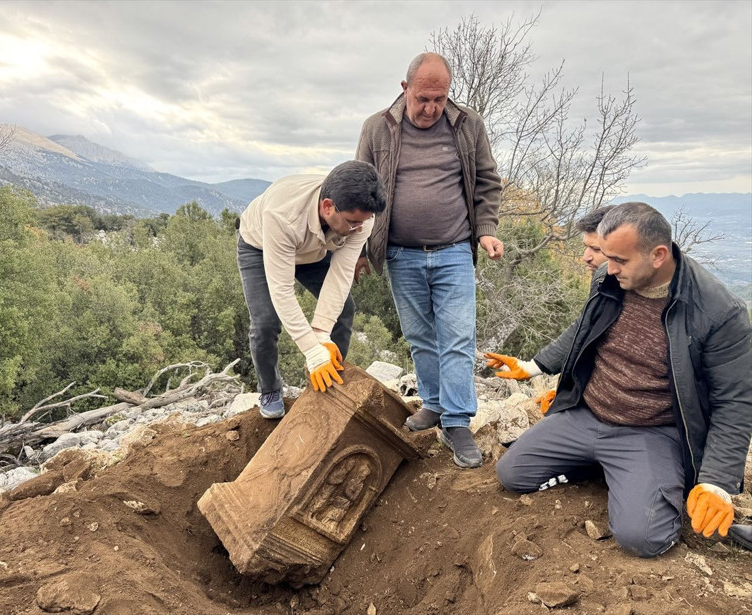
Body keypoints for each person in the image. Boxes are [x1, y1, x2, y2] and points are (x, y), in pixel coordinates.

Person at [488, 202, 752, 557]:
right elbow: (582, 331)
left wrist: (716, 483)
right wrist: (534, 366)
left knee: (643, 539)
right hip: (588, 413)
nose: (607, 268)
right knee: (512, 474)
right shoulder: (609, 278)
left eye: (620, 260)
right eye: (605, 256)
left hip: (651, 431)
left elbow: (734, 403)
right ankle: (602, 467)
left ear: (658, 254)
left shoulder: (718, 312)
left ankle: (642, 480)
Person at [355, 52, 503, 468]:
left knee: (457, 338)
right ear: (405, 89)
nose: (431, 108)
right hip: (401, 254)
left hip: (454, 249)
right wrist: (362, 251)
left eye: (439, 99)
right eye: (423, 98)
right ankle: (434, 403)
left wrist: (487, 229)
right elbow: (362, 189)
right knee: (421, 337)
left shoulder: (468, 125)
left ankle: (456, 422)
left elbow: (488, 183)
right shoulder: (376, 128)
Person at [237, 160, 386, 418]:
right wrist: (311, 350)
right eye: (352, 223)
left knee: (343, 310)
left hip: (314, 250)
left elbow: (340, 276)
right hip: (261, 246)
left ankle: (329, 381)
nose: (359, 229)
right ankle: (270, 389)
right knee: (265, 323)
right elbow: (282, 291)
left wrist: (321, 336)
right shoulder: (281, 214)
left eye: (364, 222)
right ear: (328, 207)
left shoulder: (361, 218)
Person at [488, 205, 616, 413]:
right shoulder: (606, 280)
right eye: (586, 247)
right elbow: (584, 326)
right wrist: (531, 367)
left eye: (597, 250)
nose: (586, 257)